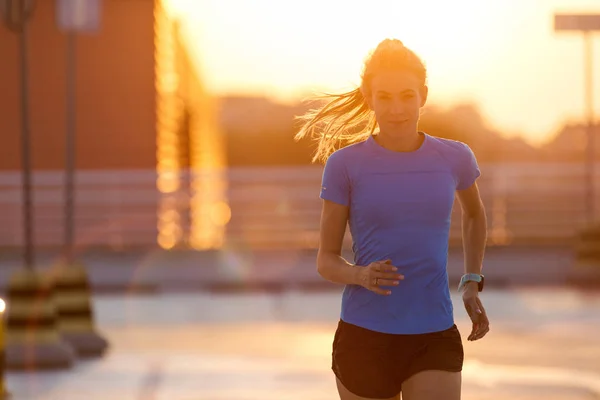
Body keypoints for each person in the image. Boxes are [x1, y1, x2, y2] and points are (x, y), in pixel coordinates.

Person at [294, 38, 490, 400]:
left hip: (433, 333)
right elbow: (326, 260)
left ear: (423, 95)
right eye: (384, 97)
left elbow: (475, 215)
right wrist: (360, 274)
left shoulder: (455, 157)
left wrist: (472, 280)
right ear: (369, 98)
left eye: (407, 95)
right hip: (364, 337)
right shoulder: (345, 166)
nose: (397, 108)